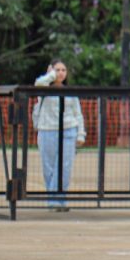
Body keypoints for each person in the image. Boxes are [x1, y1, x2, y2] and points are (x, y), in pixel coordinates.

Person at [33, 60, 86, 211]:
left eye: (63, 70)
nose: (60, 73)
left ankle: (58, 200)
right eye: (57, 70)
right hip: (47, 129)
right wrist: (50, 75)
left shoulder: (70, 91)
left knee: (65, 167)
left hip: (69, 129)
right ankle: (55, 200)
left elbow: (78, 114)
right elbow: (38, 84)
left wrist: (81, 134)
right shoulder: (44, 88)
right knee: (49, 167)